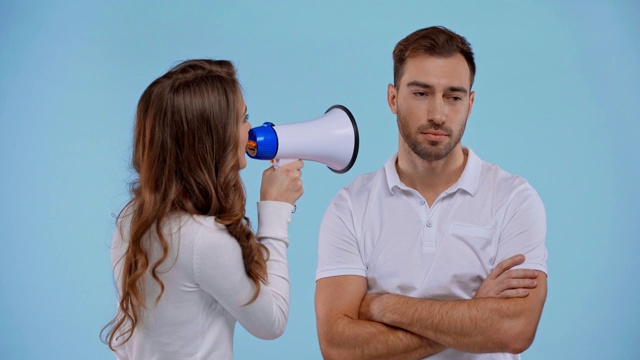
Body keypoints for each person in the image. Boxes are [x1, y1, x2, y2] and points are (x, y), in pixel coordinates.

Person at [315, 26, 548, 359]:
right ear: (393, 98)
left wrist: (384, 306)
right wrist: (475, 312)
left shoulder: (513, 199)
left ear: (470, 103)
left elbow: (514, 330)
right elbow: (338, 347)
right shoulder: (351, 206)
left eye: (453, 97)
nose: (438, 114)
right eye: (421, 93)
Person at [101, 59, 304, 359]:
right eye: (243, 118)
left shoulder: (133, 217)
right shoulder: (203, 240)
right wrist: (275, 211)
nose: (251, 130)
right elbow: (271, 323)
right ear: (213, 140)